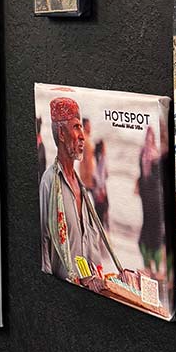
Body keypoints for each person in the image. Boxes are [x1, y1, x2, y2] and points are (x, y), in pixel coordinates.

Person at [39, 97, 110, 288]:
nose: (82, 136)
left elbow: (89, 245)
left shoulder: (81, 187)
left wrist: (95, 278)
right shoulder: (49, 183)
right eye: (76, 127)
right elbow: (44, 243)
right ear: (62, 134)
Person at [136, 125, 165, 275]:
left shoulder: (156, 156)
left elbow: (158, 180)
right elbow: (141, 174)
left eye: (151, 137)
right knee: (145, 232)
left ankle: (157, 268)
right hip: (145, 197)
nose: (148, 139)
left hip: (155, 198)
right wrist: (139, 185)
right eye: (147, 137)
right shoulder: (143, 153)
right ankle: (148, 266)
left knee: (156, 232)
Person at [93, 139, 109, 230]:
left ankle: (101, 230)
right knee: (103, 209)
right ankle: (103, 231)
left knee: (100, 209)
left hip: (98, 188)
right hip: (101, 188)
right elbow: (102, 175)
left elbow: (97, 174)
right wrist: (101, 189)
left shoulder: (96, 157)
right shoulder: (102, 158)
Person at [79, 117, 96, 194]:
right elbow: (87, 159)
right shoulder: (86, 140)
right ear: (84, 126)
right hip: (87, 174)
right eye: (88, 126)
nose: (90, 128)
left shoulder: (85, 138)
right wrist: (90, 175)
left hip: (85, 172)